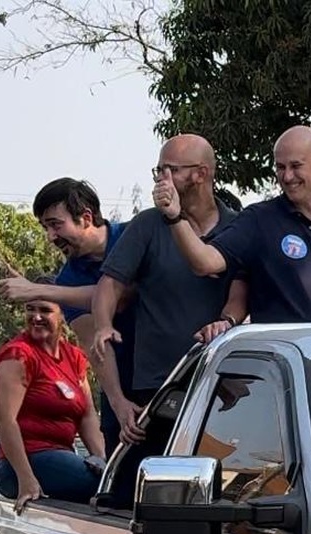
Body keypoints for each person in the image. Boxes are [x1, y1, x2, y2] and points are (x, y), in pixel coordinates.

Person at [91, 134, 245, 440]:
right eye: (158, 171)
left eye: (170, 170)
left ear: (201, 174)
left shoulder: (239, 226)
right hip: (159, 390)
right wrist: (104, 325)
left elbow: (242, 296)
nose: (162, 180)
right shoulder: (148, 224)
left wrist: (226, 323)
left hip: (223, 386)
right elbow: (108, 286)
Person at [163, 125, 311, 324]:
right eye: (280, 167)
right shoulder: (259, 219)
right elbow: (204, 262)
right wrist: (174, 216)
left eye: (296, 166)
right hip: (280, 361)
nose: (287, 176)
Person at [0, 178, 137, 457]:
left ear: (85, 217)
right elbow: (95, 345)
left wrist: (39, 290)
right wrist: (118, 401)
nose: (50, 237)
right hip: (126, 383)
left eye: (56, 225)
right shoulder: (69, 278)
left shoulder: (133, 237)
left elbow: (123, 292)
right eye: (45, 227)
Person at [0, 275, 106, 514]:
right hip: (24, 462)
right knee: (102, 488)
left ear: (62, 315)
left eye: (45, 310)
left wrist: (102, 460)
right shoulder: (18, 355)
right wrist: (26, 480)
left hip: (60, 458)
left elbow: (87, 416)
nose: (36, 317)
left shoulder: (74, 357)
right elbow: (4, 421)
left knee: (114, 482)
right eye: (30, 309)